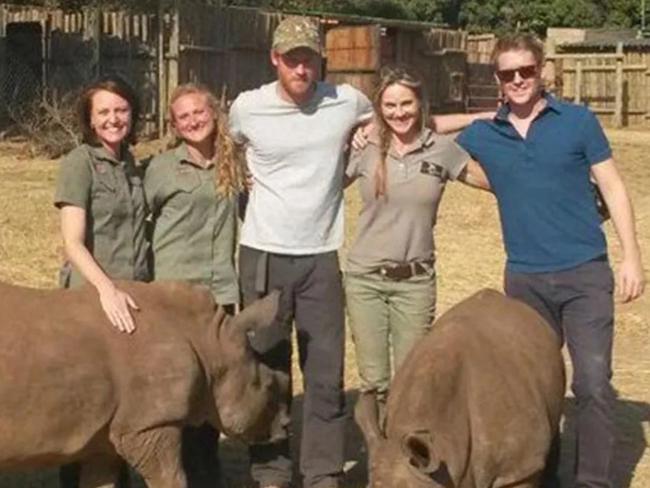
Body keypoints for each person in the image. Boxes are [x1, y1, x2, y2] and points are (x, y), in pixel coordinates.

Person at [455, 33, 645, 488]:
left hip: (585, 273)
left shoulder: (578, 121)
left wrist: (633, 258)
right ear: (497, 79)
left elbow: (615, 188)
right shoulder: (485, 134)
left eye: (527, 71)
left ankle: (592, 481)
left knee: (593, 384)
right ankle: (543, 473)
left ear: (543, 71)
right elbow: (427, 132)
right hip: (524, 281)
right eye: (508, 74)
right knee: (533, 388)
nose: (519, 80)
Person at [344, 64, 490, 422]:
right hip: (365, 280)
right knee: (374, 380)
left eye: (406, 104)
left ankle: (406, 457)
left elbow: (494, 181)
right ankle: (378, 454)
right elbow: (320, 182)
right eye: (390, 106)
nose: (399, 113)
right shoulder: (365, 148)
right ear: (379, 108)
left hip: (415, 282)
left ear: (420, 103)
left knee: (412, 377)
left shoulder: (441, 150)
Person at [144, 82, 241, 488]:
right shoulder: (161, 167)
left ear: (215, 114)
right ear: (174, 125)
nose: (193, 121)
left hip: (219, 297)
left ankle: (205, 472)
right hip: (171, 300)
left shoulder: (235, 163)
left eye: (199, 112)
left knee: (211, 389)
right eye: (183, 117)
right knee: (172, 392)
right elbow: (139, 223)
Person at [54, 75, 148, 486]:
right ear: (90, 121)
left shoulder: (133, 163)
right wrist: (106, 289)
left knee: (122, 400)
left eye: (121, 110)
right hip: (91, 300)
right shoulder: (79, 163)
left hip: (133, 298)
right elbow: (73, 242)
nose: (114, 119)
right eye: (104, 112)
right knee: (87, 405)